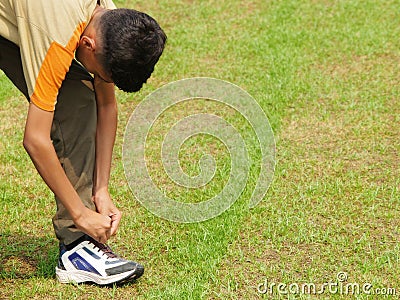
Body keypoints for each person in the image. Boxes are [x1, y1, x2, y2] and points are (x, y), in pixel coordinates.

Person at [0, 0, 166, 285]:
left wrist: (101, 189)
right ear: (88, 44)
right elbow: (35, 139)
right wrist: (80, 213)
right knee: (72, 96)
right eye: (102, 74)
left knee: (76, 98)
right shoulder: (57, 36)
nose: (101, 80)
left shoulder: (108, 18)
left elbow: (106, 105)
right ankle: (77, 238)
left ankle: (76, 249)